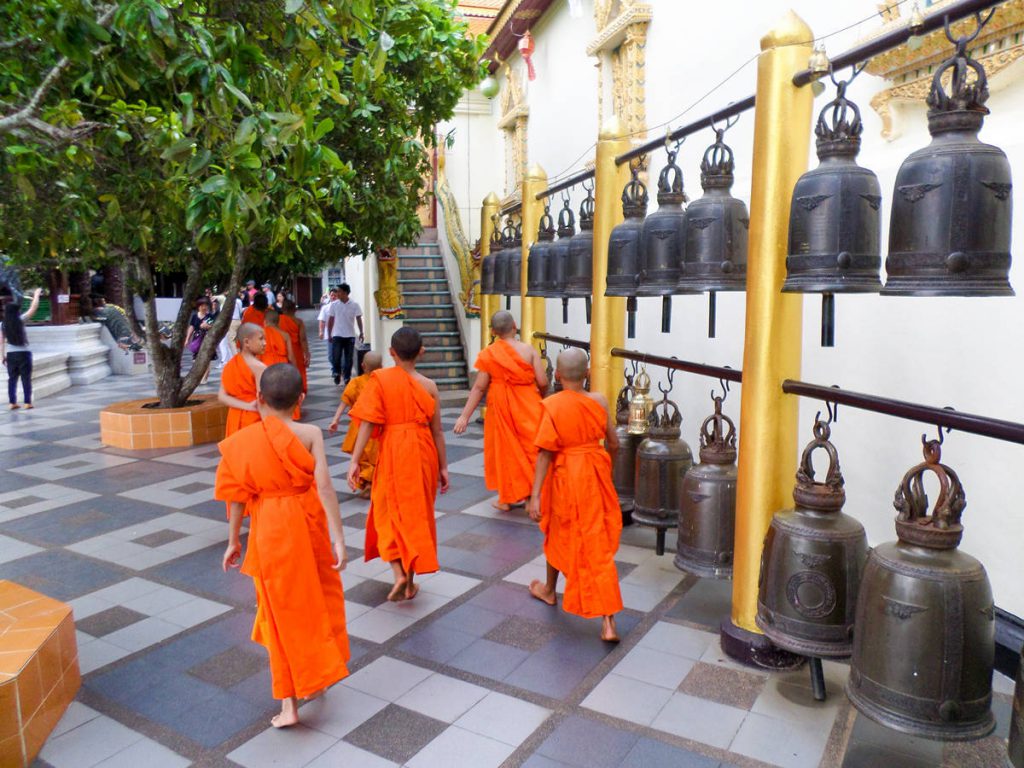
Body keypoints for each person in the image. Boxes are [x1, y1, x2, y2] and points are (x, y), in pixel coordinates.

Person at [216, 363, 349, 729]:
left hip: (269, 530)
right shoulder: (308, 433)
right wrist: (339, 539)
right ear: (300, 400)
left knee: (278, 613)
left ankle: (289, 703)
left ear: (259, 399)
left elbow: (237, 496)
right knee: (312, 602)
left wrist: (232, 541)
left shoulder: (243, 443)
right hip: (307, 524)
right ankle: (315, 676)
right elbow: (324, 487)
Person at [527, 348, 622, 643]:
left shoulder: (552, 404)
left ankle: (552, 592)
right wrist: (606, 471)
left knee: (559, 532)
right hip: (594, 473)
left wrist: (535, 496)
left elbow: (544, 453)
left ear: (556, 375)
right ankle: (605, 621)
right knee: (598, 545)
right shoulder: (600, 401)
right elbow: (614, 443)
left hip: (565, 477)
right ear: (588, 373)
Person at [347, 328, 448, 602]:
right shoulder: (429, 386)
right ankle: (410, 580)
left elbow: (367, 422)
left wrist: (355, 460)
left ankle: (397, 572)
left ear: (392, 353)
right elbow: (437, 431)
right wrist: (443, 467)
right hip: (423, 451)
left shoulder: (380, 380)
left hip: (394, 448)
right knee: (415, 514)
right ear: (421, 352)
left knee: (387, 508)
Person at [454, 310, 546, 511]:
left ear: (494, 331)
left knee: (506, 450)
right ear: (514, 325)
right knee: (531, 446)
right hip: (528, 401)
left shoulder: (489, 353)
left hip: (500, 403)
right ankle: (532, 494)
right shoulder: (529, 350)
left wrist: (464, 416)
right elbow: (543, 381)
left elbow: (479, 387)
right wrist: (540, 395)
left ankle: (506, 498)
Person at [328, 351, 382, 499]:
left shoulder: (356, 382)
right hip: (378, 428)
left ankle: (368, 484)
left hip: (359, 428)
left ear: (363, 365)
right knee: (375, 457)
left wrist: (335, 419)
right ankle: (372, 483)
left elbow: (345, 401)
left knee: (362, 458)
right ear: (382, 367)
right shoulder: (382, 382)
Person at [218, 323, 266, 435]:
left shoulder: (230, 364)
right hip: (254, 418)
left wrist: (246, 406)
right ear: (247, 342)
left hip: (234, 415)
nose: (265, 343)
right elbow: (262, 401)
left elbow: (222, 396)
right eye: (261, 339)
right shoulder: (259, 367)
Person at [1, 288, 42, 410]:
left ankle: (12, 402)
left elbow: (1, 342)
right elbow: (33, 308)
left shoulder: (2, 325)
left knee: (12, 379)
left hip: (11, 355)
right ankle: (27, 402)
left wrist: (2, 356)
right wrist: (36, 295)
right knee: (26, 378)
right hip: (24, 353)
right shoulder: (20, 320)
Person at [327, 283, 363, 386]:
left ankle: (347, 377)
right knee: (336, 356)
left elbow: (358, 318)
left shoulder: (354, 305)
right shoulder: (334, 305)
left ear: (345, 293)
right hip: (337, 335)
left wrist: (361, 332)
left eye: (339, 291)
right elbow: (331, 320)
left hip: (350, 335)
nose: (337, 293)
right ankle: (336, 372)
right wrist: (329, 334)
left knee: (349, 358)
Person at [278, 300, 309, 394]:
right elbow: (302, 339)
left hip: (282, 348)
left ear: (282, 309)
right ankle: (299, 389)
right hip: (296, 350)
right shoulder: (299, 322)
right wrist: (306, 353)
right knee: (298, 369)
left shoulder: (278, 320)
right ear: (294, 309)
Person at [184, 299, 215, 384]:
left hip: (207, 339)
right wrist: (187, 339)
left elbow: (213, 326)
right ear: (198, 307)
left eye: (205, 306)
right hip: (197, 338)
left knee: (207, 359)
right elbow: (191, 327)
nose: (204, 307)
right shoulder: (194, 316)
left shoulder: (210, 316)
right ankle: (197, 377)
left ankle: (204, 378)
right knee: (196, 359)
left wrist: (207, 326)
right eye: (202, 306)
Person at [318, 287, 338, 369]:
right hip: (330, 335)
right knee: (330, 356)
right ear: (329, 296)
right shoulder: (325, 308)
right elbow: (322, 320)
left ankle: (338, 370)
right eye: (332, 295)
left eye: (335, 295)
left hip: (340, 334)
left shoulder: (341, 307)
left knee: (340, 354)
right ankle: (336, 368)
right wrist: (321, 331)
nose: (333, 297)